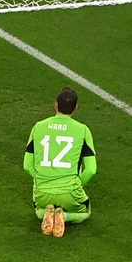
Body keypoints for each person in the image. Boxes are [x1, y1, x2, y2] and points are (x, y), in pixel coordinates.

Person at [24, 86, 97, 237]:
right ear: (76, 107)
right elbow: (91, 169)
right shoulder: (83, 130)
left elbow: (27, 165)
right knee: (86, 211)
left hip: (43, 192)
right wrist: (74, 184)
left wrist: (42, 179)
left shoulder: (38, 127)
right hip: (70, 192)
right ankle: (64, 216)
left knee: (37, 211)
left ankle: (45, 213)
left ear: (55, 104)